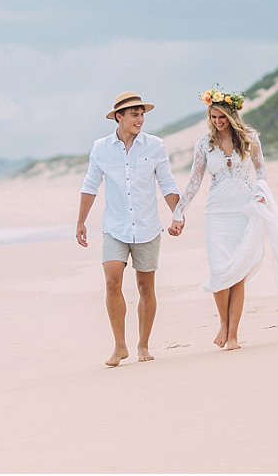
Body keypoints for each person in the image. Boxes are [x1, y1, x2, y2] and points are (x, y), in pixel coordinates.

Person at [169, 87, 278, 350]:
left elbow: (261, 169)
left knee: (237, 275)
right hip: (216, 214)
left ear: (232, 116)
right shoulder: (204, 145)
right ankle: (223, 323)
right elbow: (195, 182)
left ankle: (233, 335)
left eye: (221, 117)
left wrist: (260, 190)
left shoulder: (250, 139)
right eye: (213, 117)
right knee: (220, 272)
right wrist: (179, 212)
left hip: (244, 212)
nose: (217, 122)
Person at [76, 91, 181, 367]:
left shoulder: (155, 146)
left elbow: (167, 184)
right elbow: (90, 185)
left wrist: (178, 214)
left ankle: (143, 344)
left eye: (142, 113)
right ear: (119, 117)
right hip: (115, 227)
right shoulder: (100, 148)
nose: (140, 118)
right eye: (134, 114)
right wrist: (81, 222)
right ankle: (120, 346)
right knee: (112, 281)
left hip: (147, 227)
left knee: (146, 286)